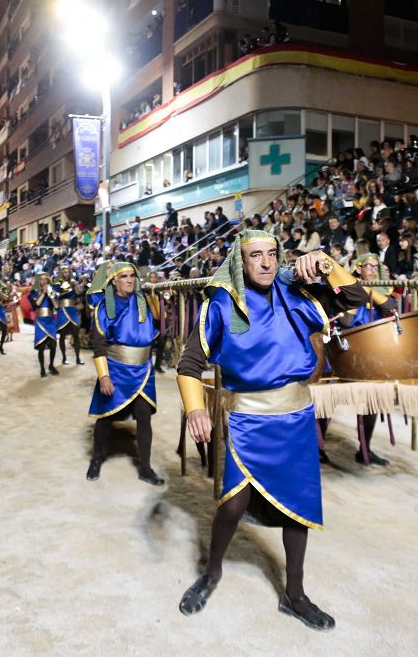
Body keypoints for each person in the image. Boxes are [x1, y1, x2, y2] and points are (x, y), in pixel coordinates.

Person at [176, 230, 368, 630]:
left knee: (297, 511)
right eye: (254, 256)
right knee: (232, 504)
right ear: (240, 262)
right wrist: (195, 409)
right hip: (248, 422)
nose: (265, 263)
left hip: (296, 419)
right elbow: (189, 364)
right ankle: (212, 571)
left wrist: (327, 263)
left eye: (271, 254)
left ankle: (294, 595)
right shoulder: (221, 305)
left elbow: (355, 299)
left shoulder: (299, 292)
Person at [86, 261, 164, 486]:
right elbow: (99, 346)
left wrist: (156, 297)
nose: (130, 280)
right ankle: (96, 458)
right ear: (114, 281)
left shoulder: (143, 302)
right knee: (106, 416)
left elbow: (159, 322)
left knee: (144, 417)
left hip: (143, 369)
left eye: (132, 276)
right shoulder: (104, 308)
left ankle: (146, 468)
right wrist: (104, 376)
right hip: (116, 369)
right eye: (124, 276)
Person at [318, 254, 397, 466]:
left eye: (375, 266)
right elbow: (346, 320)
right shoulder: (345, 286)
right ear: (358, 268)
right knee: (329, 401)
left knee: (371, 402)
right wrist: (358, 293)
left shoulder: (381, 289)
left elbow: (390, 308)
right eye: (368, 266)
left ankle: (365, 450)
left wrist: (370, 291)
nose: (372, 269)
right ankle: (319, 448)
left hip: (370, 354)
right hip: (345, 350)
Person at [30, 273, 60, 376]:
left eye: (45, 280)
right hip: (40, 321)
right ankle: (42, 368)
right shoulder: (34, 292)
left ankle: (51, 365)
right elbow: (36, 305)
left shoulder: (53, 292)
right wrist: (43, 293)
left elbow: (56, 306)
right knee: (41, 346)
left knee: (53, 345)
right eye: (41, 279)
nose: (43, 281)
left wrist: (51, 296)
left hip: (50, 321)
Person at [56, 270, 85, 366]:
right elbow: (56, 294)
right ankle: (64, 358)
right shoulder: (57, 284)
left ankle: (78, 358)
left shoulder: (74, 282)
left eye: (68, 272)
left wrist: (76, 285)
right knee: (62, 335)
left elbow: (79, 293)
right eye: (64, 272)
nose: (66, 274)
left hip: (72, 310)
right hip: (62, 310)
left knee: (76, 335)